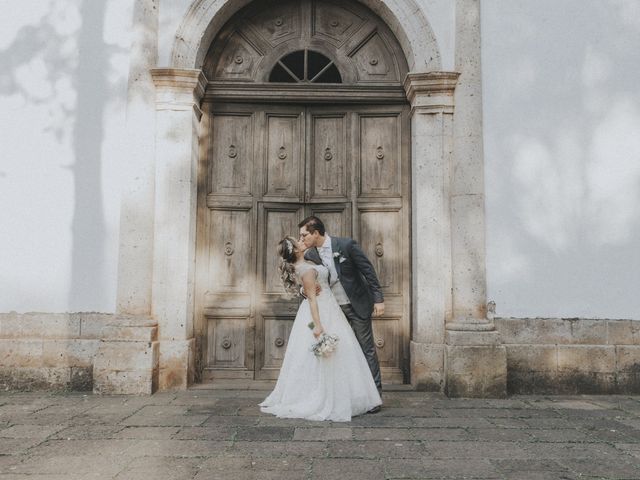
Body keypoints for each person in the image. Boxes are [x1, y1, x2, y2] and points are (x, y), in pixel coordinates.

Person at [259, 236, 382, 422]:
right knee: (329, 354)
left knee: (344, 352)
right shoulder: (306, 268)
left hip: (331, 308)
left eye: (303, 236)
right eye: (298, 240)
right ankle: (328, 396)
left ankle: (352, 394)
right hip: (319, 312)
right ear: (295, 250)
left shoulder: (309, 260)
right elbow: (312, 300)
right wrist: (317, 325)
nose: (302, 241)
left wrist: (304, 290)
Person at [298, 216, 384, 410]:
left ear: (316, 232)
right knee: (344, 353)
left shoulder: (346, 245)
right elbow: (305, 280)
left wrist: (379, 299)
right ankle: (346, 395)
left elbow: (368, 270)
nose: (302, 239)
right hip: (333, 310)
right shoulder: (310, 255)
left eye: (304, 235)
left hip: (357, 304)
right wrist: (303, 291)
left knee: (366, 349)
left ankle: (375, 397)